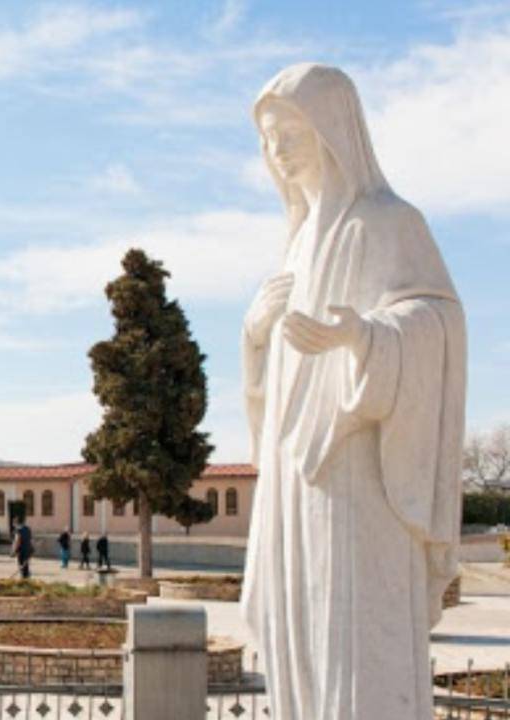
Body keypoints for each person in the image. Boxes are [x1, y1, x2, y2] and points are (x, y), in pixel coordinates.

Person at [241, 64, 465, 720]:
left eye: (291, 130)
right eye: (269, 136)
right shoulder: (295, 244)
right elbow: (271, 376)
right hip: (292, 481)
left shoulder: (388, 222)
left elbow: (439, 321)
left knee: (353, 637)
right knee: (301, 636)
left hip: (357, 475)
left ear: (334, 129)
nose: (278, 149)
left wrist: (363, 336)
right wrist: (254, 337)